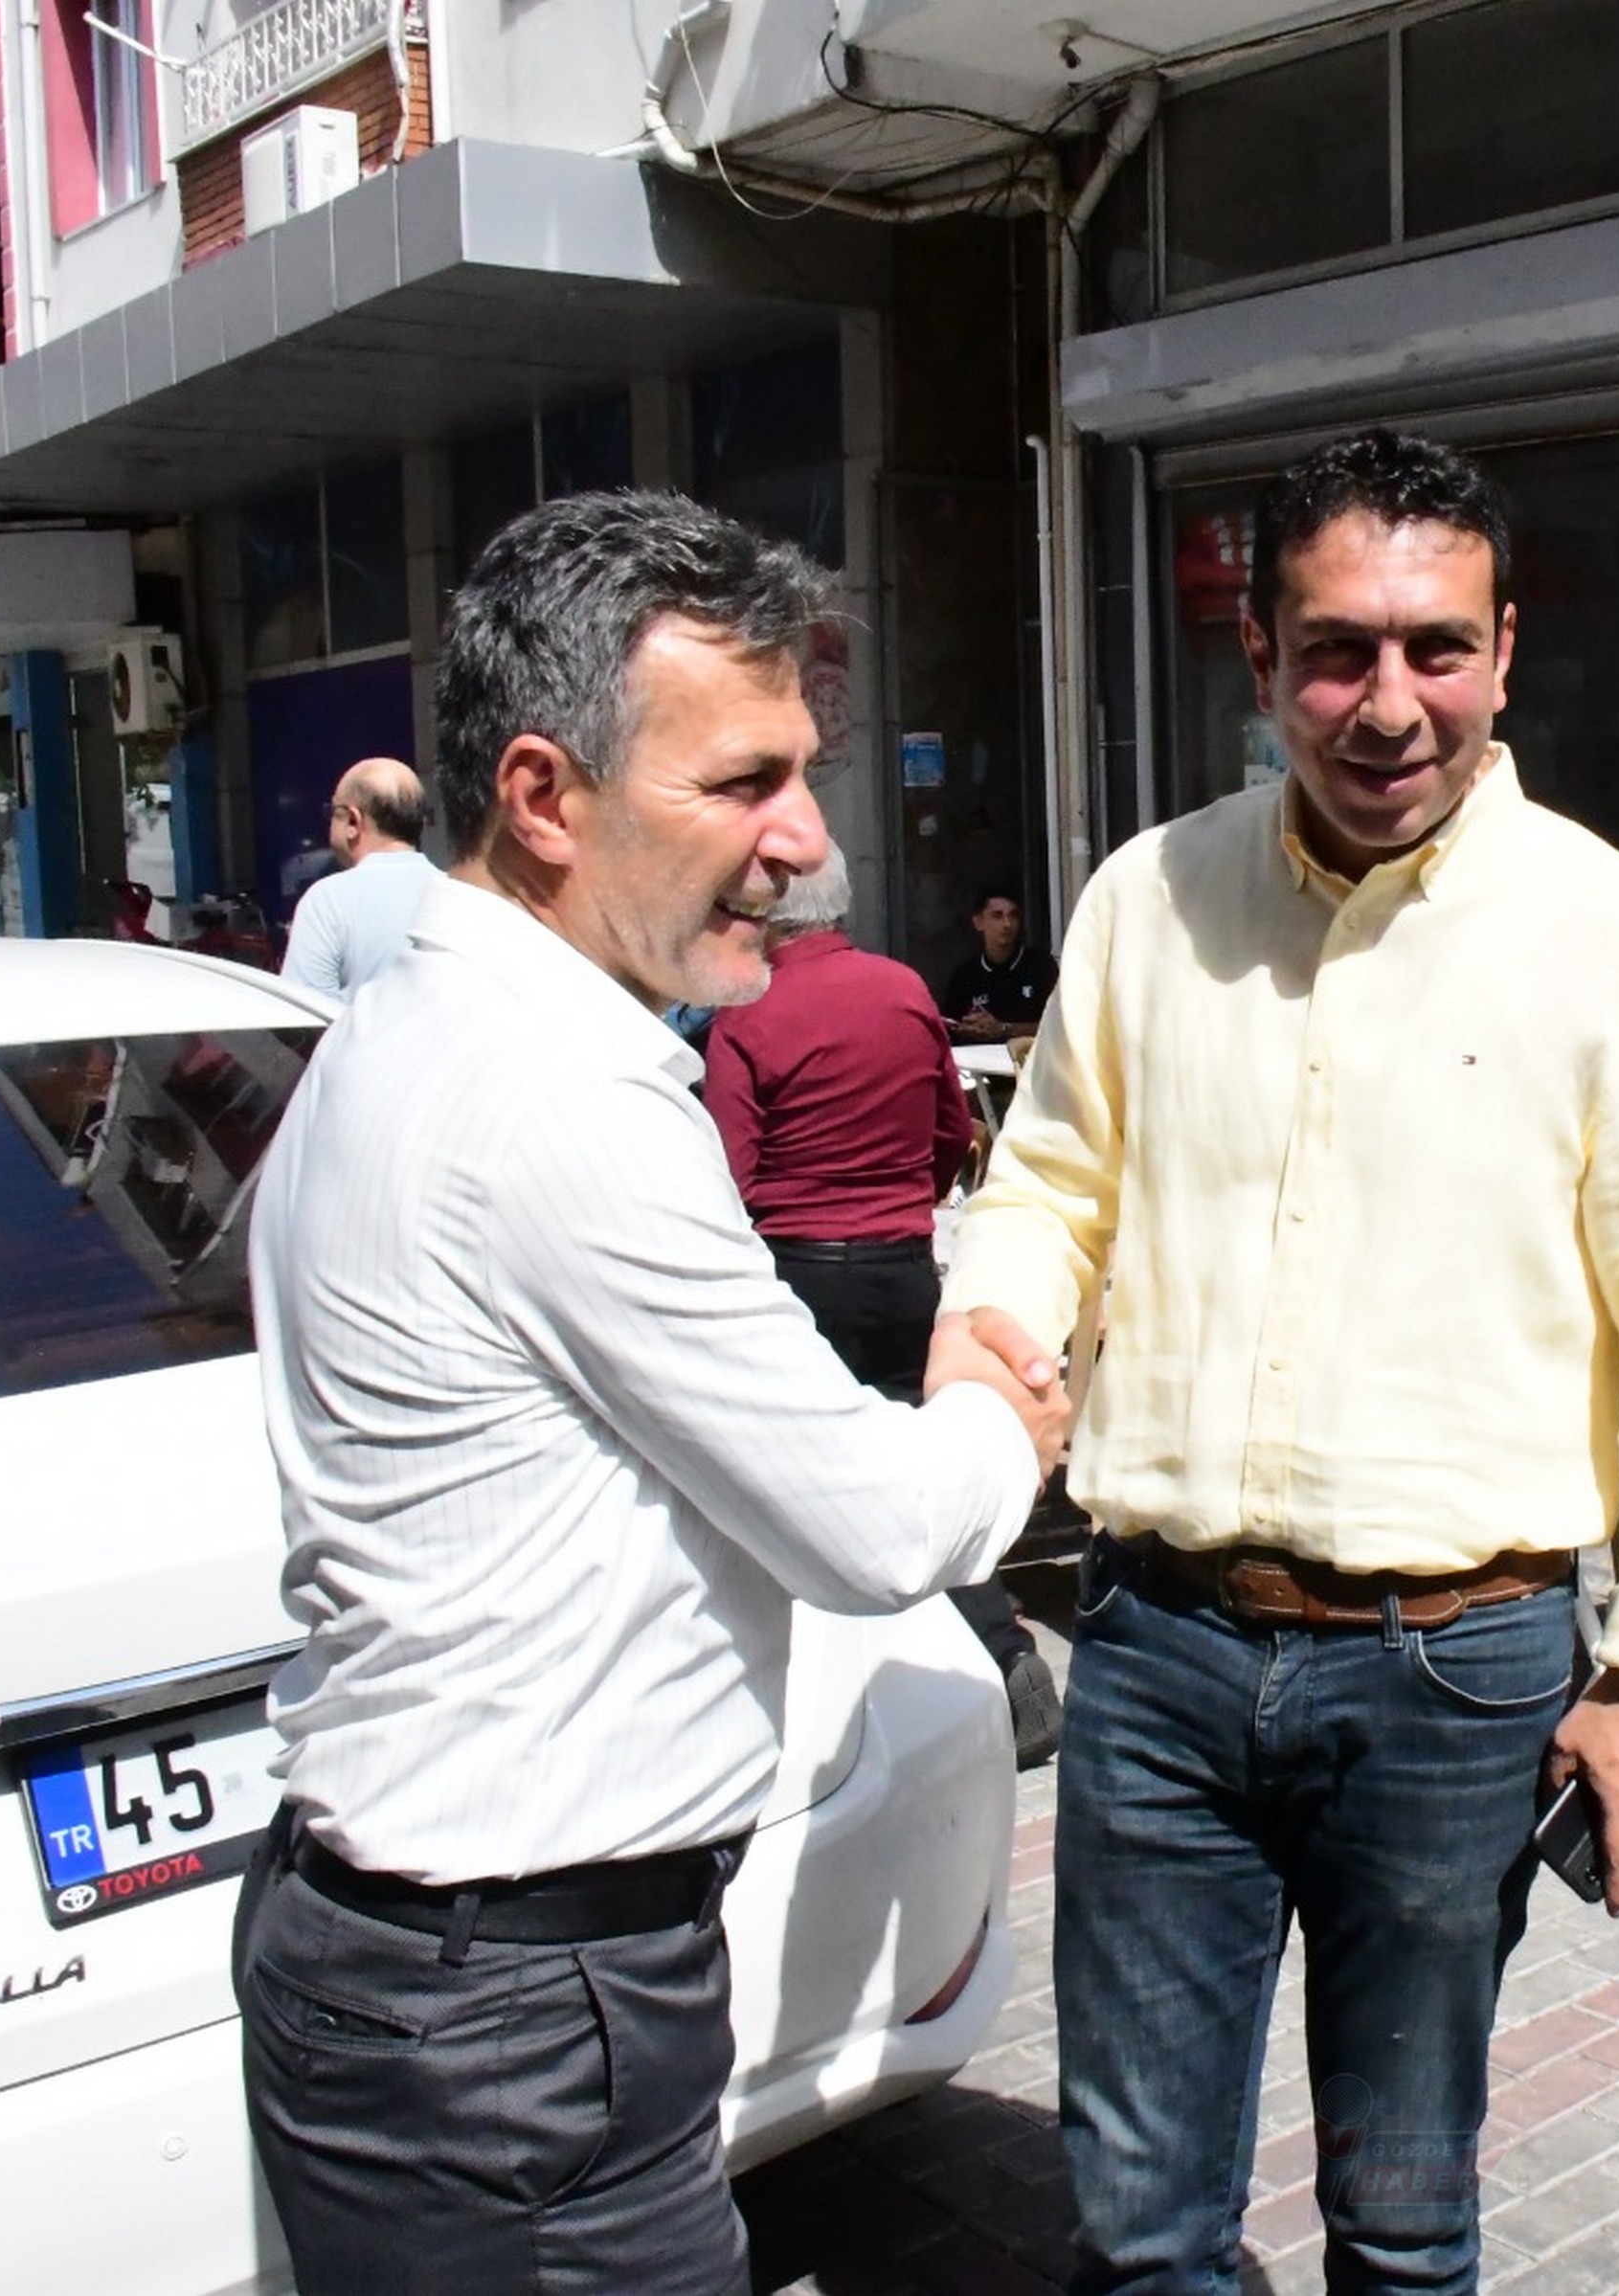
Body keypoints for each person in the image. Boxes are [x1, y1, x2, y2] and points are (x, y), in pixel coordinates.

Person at [933, 428, 1619, 2295]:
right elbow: (1050, 1185)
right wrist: (990, 1353)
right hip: (1157, 1649)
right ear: (1258, 655)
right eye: (1336, 651)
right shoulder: (1148, 899)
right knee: (1140, 2226)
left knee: (1402, 2219)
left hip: (1454, 1678)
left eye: (1437, 646)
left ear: (1504, 649)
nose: (1390, 705)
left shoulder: (1606, 933)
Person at [236, 489, 1069, 2296]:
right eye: (743, 782)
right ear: (544, 796)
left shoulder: (408, 1030)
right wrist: (992, 1402)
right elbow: (879, 1528)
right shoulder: (566, 1097)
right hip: (514, 2023)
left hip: (442, 1991)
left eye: (804, 773)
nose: (805, 841)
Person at [699, 844, 1066, 1764]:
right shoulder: (903, 991)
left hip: (795, 1268)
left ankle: (817, 1711)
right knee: (918, 1466)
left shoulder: (746, 1015)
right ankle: (1003, 1648)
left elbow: (725, 1169)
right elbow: (952, 1129)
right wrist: (906, 1204)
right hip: (900, 1261)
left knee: (795, 1486)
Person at [281, 756, 439, 999]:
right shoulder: (458, 894)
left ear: (353, 821)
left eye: (333, 811)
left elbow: (302, 1013)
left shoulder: (327, 902)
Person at [939, 883, 1059, 1041]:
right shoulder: (965, 975)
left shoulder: (1041, 966)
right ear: (978, 922)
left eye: (1013, 915)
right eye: (997, 916)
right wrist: (968, 1029)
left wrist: (1004, 1029)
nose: (1007, 924)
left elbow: (1059, 1026)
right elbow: (948, 1028)